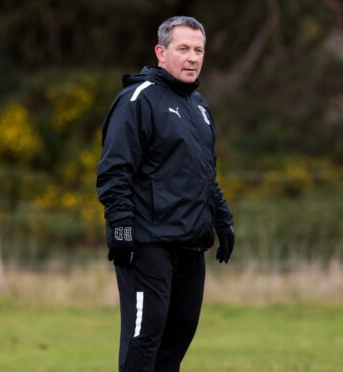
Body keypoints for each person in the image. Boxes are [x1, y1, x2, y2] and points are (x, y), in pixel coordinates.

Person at [96, 16, 235, 372]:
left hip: (190, 245)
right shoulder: (137, 100)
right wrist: (122, 234)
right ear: (161, 52)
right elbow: (115, 174)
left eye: (198, 50)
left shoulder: (200, 107)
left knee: (180, 334)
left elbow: (206, 173)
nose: (192, 57)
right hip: (147, 245)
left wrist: (223, 221)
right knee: (145, 339)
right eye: (183, 48)